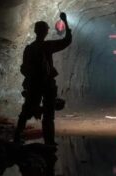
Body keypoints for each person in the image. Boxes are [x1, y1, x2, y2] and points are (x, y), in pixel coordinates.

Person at [14, 12, 72, 145]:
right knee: (48, 115)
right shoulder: (46, 46)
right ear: (45, 32)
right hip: (46, 84)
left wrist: (30, 79)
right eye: (46, 29)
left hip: (33, 84)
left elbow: (23, 68)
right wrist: (65, 22)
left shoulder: (29, 48)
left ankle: (17, 136)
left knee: (26, 111)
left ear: (35, 31)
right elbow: (67, 40)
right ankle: (49, 143)